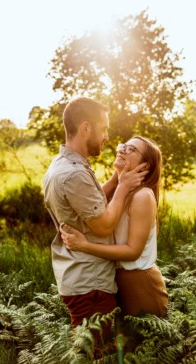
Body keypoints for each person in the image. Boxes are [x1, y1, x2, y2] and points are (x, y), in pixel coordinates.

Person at [43, 98, 148, 330]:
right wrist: (123, 187)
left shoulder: (62, 166)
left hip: (80, 278)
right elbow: (103, 226)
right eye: (104, 129)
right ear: (86, 128)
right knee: (95, 354)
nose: (107, 137)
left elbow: (89, 202)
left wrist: (116, 179)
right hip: (90, 283)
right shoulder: (75, 175)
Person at [61, 136, 168, 318]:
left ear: (145, 166)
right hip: (121, 282)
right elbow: (90, 207)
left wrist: (84, 246)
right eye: (123, 146)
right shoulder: (122, 192)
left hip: (140, 284)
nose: (122, 150)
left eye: (132, 149)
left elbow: (132, 251)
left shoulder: (142, 196)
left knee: (147, 344)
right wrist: (118, 180)